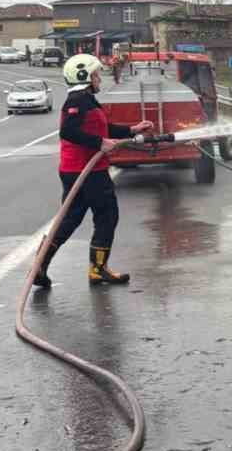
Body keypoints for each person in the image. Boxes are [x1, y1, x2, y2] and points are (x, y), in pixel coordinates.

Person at [33, 54, 154, 289]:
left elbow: (100, 127)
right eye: (96, 74)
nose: (99, 78)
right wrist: (99, 143)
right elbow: (68, 132)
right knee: (107, 216)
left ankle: (41, 265)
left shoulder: (84, 99)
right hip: (87, 171)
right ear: (84, 76)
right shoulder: (78, 100)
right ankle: (97, 269)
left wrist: (131, 129)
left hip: (79, 170)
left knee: (70, 219)